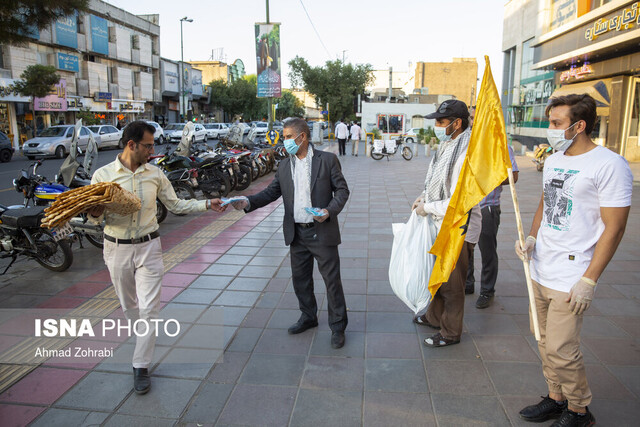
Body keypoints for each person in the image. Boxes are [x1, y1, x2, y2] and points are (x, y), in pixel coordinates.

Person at [515, 94, 632, 426]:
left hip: (572, 272)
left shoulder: (609, 164)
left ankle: (579, 410)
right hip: (540, 267)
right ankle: (556, 397)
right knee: (542, 339)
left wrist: (589, 280)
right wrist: (533, 237)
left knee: (562, 349)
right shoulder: (554, 159)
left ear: (579, 126)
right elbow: (545, 201)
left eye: (556, 123)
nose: (550, 129)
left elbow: (616, 226)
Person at [87, 121, 225, 395]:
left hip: (150, 247)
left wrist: (208, 204)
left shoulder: (156, 174)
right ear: (131, 145)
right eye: (148, 145)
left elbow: (175, 205)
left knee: (149, 310)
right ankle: (143, 340)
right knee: (129, 307)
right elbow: (95, 219)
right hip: (117, 248)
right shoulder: (102, 176)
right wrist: (94, 209)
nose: (152, 150)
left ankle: (140, 365)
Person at [231, 118, 350, 349]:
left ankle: (338, 327)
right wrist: (246, 201)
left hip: (321, 231)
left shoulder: (327, 160)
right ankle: (308, 316)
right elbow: (271, 193)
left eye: (287, 137)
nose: (284, 141)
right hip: (297, 233)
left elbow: (342, 190)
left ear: (302, 137)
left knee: (332, 282)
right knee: (300, 280)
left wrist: (328, 211)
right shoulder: (285, 165)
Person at [411, 99, 481, 347]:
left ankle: (451, 332)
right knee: (438, 278)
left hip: (459, 228)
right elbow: (436, 180)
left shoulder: (467, 153)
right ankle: (433, 317)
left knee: (452, 284)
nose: (437, 127)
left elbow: (459, 201)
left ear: (457, 123)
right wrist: (424, 196)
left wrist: (426, 207)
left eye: (441, 122)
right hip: (441, 223)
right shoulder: (448, 146)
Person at [465, 106, 519, 308]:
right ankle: (468, 283)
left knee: (487, 251)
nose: (472, 122)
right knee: (466, 249)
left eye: (476, 118)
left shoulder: (500, 144)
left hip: (487, 206)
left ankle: (487, 290)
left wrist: (488, 176)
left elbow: (513, 176)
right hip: (467, 205)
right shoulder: (466, 142)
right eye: (470, 118)